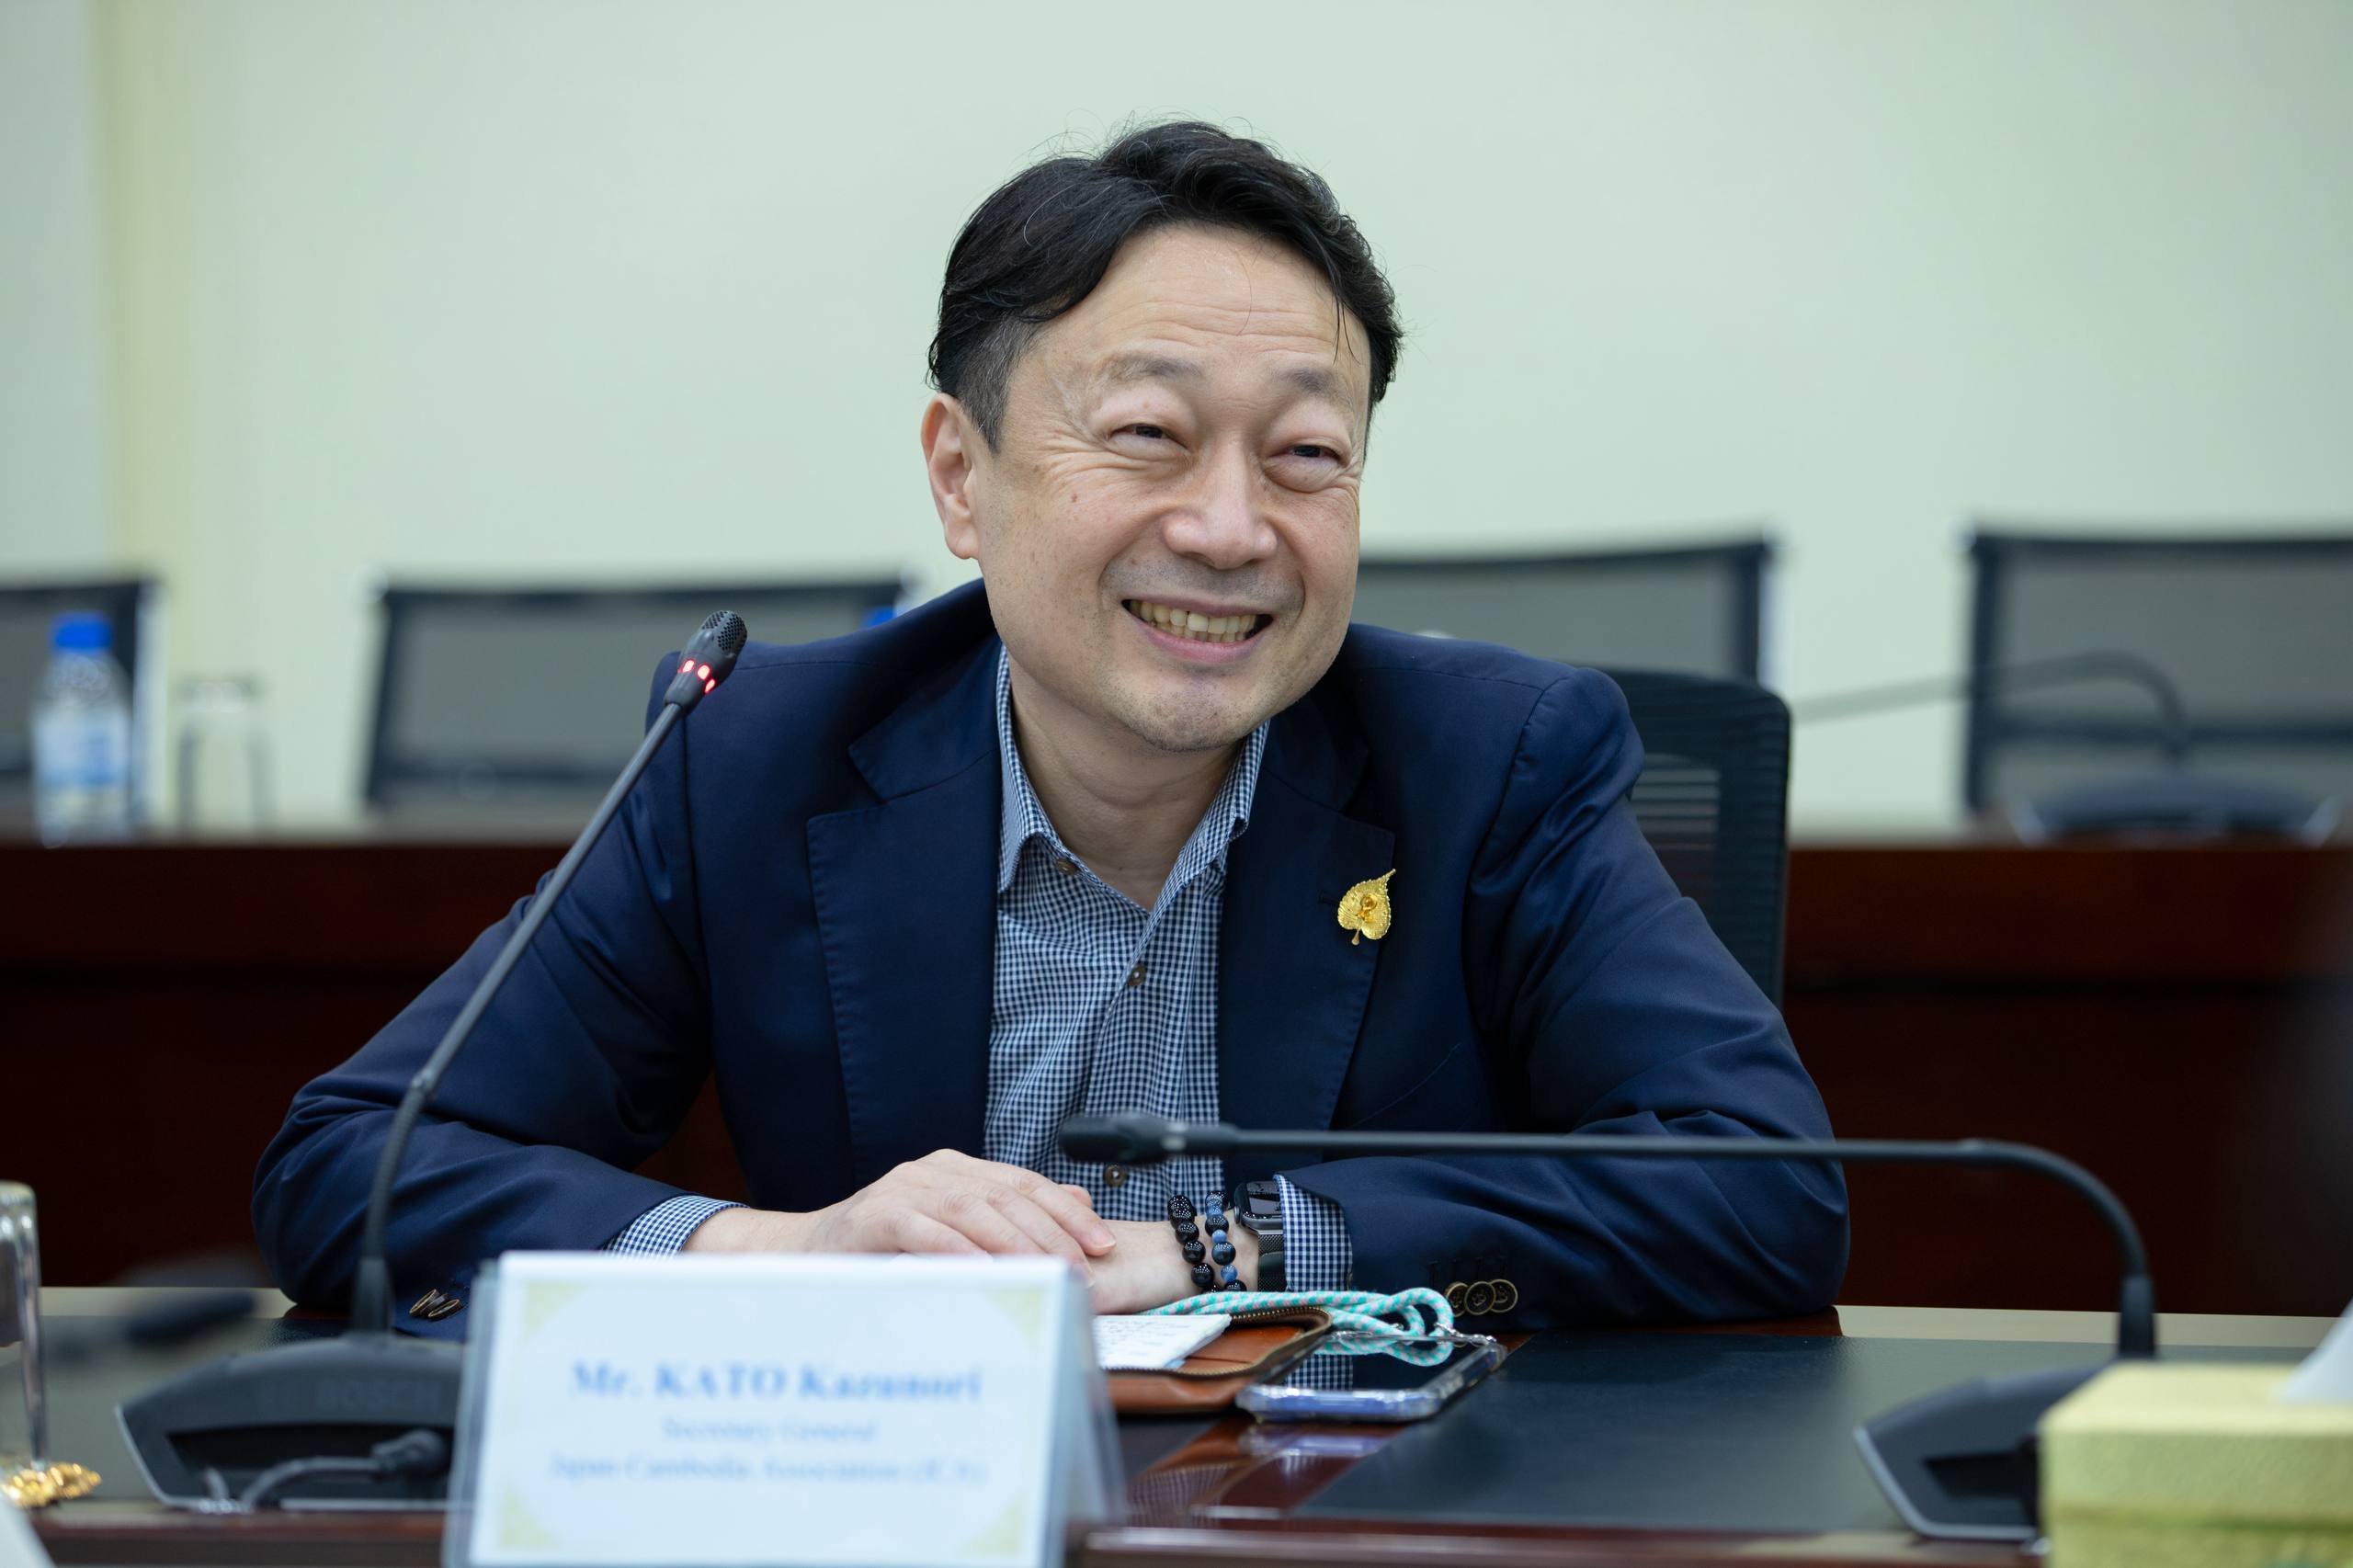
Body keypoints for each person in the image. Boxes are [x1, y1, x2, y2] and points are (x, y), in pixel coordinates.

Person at [254, 120, 1847, 1330]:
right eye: (1149, 434)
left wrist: (1243, 1247)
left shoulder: (1491, 762)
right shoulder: (751, 759)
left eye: (1306, 456)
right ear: (963, 476)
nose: (1230, 528)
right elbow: (352, 1165)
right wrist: (789, 1250)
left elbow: (1763, 1183)